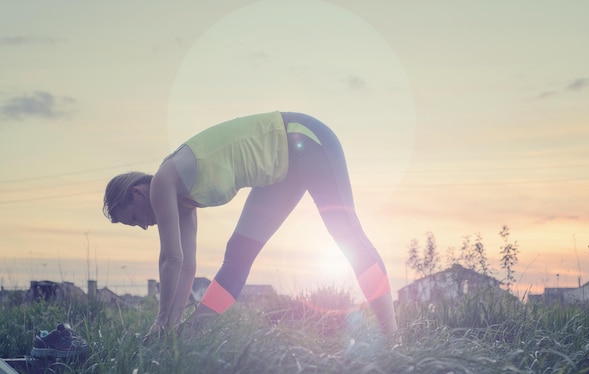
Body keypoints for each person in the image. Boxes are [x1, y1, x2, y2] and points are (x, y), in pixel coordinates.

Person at [102, 111, 398, 340]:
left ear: (137, 193)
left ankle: (393, 338)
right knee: (238, 255)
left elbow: (171, 258)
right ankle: (190, 335)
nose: (143, 226)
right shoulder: (183, 200)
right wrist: (173, 327)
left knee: (345, 233)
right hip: (280, 171)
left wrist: (160, 322)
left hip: (305, 139)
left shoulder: (163, 182)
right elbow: (187, 267)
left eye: (135, 218)